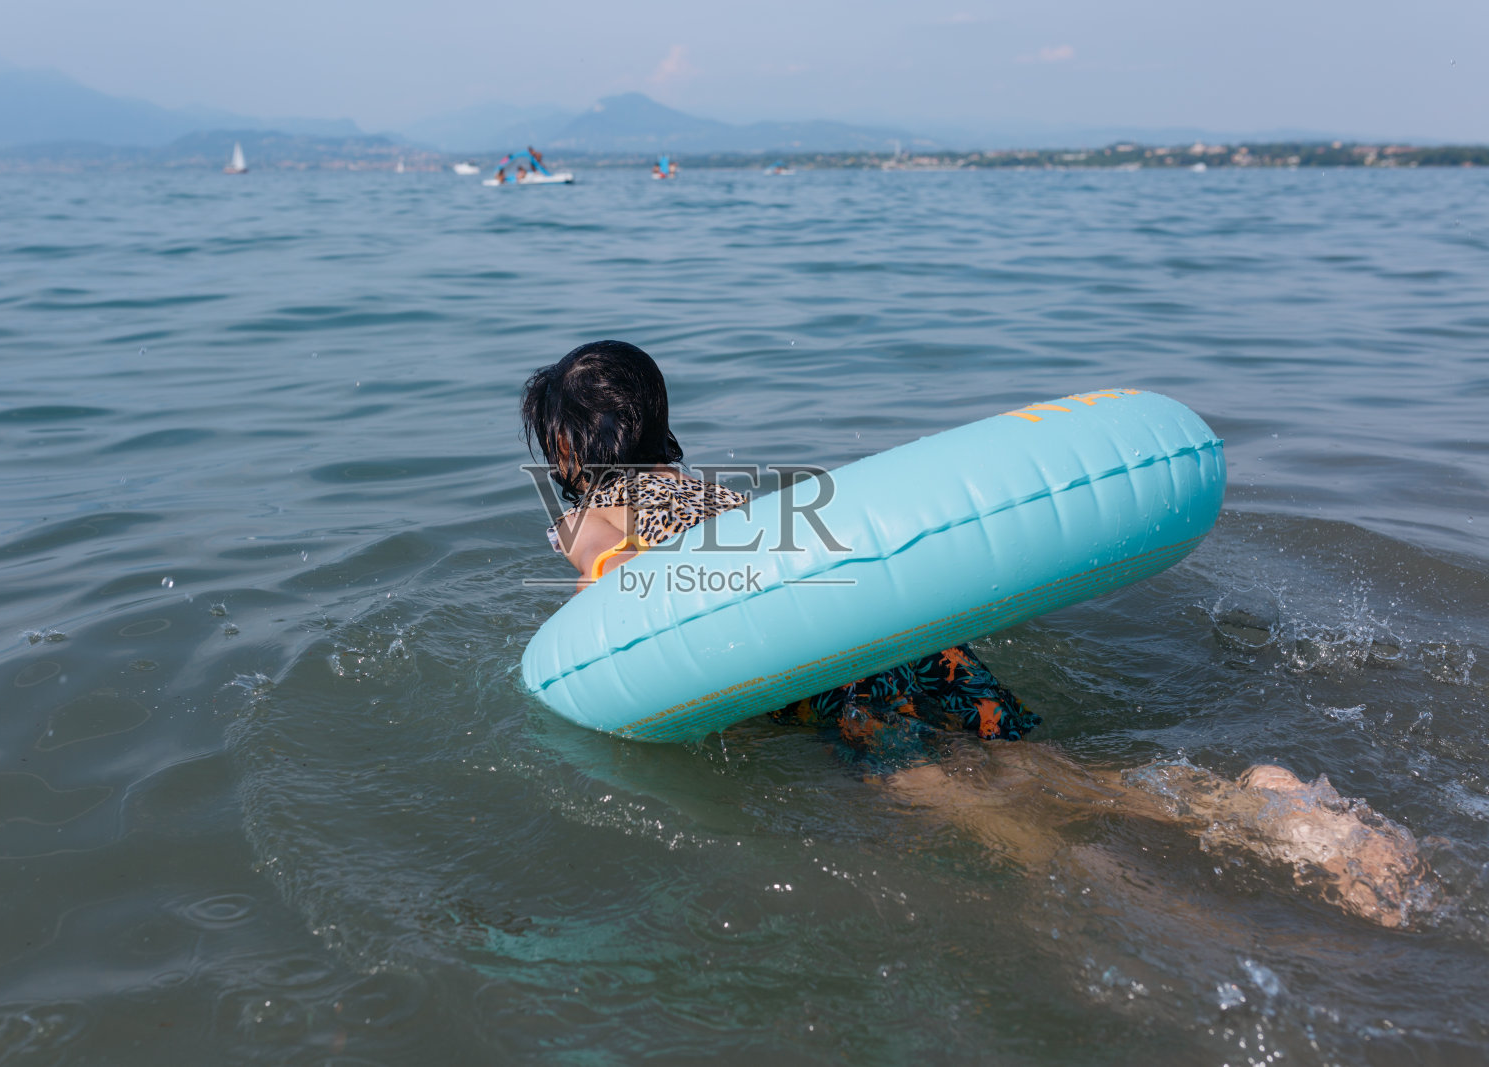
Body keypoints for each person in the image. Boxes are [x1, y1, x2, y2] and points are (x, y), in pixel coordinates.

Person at [520, 339, 1430, 927]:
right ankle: (1265, 809)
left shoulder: (587, 520)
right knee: (1036, 765)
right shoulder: (715, 493)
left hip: (822, 675)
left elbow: (642, 624)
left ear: (566, 449)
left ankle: (1147, 910)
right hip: (902, 636)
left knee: (950, 797)